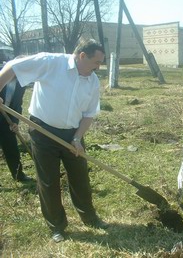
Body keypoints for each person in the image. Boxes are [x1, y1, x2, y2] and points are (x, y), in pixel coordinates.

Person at [0, 39, 107, 243]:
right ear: (82, 56)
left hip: (73, 134)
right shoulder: (50, 62)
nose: (98, 68)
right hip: (43, 130)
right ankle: (57, 226)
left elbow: (89, 114)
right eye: (96, 62)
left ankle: (90, 217)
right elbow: (13, 66)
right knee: (49, 181)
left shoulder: (92, 81)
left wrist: (77, 138)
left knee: (80, 177)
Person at [0, 63, 33, 182]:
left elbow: (18, 104)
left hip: (6, 118)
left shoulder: (21, 82)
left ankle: (18, 175)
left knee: (11, 146)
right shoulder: (1, 73)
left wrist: (15, 122)